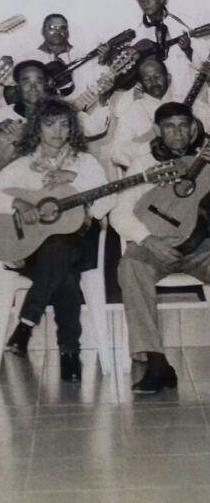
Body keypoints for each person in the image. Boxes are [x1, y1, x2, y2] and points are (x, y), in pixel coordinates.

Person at [0, 98, 115, 382]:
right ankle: (69, 352)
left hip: (81, 245)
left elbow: (106, 203)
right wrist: (17, 203)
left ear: (72, 129)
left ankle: (26, 325)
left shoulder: (85, 162)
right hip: (32, 251)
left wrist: (73, 178)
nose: (58, 131)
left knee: (62, 248)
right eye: (50, 124)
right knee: (62, 266)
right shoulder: (23, 165)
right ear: (37, 128)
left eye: (64, 124)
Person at [111, 102, 210, 393]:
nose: (177, 133)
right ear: (157, 130)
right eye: (169, 126)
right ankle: (156, 363)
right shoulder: (145, 163)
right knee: (130, 266)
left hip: (201, 247)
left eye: (183, 126)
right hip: (156, 245)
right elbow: (120, 213)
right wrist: (147, 239)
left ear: (194, 129)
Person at [0, 60, 111, 171]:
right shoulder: (2, 114)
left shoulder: (60, 109)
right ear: (17, 87)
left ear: (46, 85)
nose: (33, 87)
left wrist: (103, 99)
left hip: (56, 179)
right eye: (26, 81)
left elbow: (95, 128)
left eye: (39, 81)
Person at [100, 0, 207, 102]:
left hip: (187, 92)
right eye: (141, 0)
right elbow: (129, 71)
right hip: (154, 99)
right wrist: (107, 58)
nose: (146, 3)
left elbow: (204, 63)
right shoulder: (137, 32)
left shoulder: (183, 25)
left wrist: (188, 50)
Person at [111, 56, 210, 168]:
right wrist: (153, 145)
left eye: (157, 76)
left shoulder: (186, 100)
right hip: (158, 173)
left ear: (168, 77)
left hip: (192, 169)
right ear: (141, 84)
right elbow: (117, 153)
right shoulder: (133, 111)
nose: (153, 82)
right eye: (147, 79)